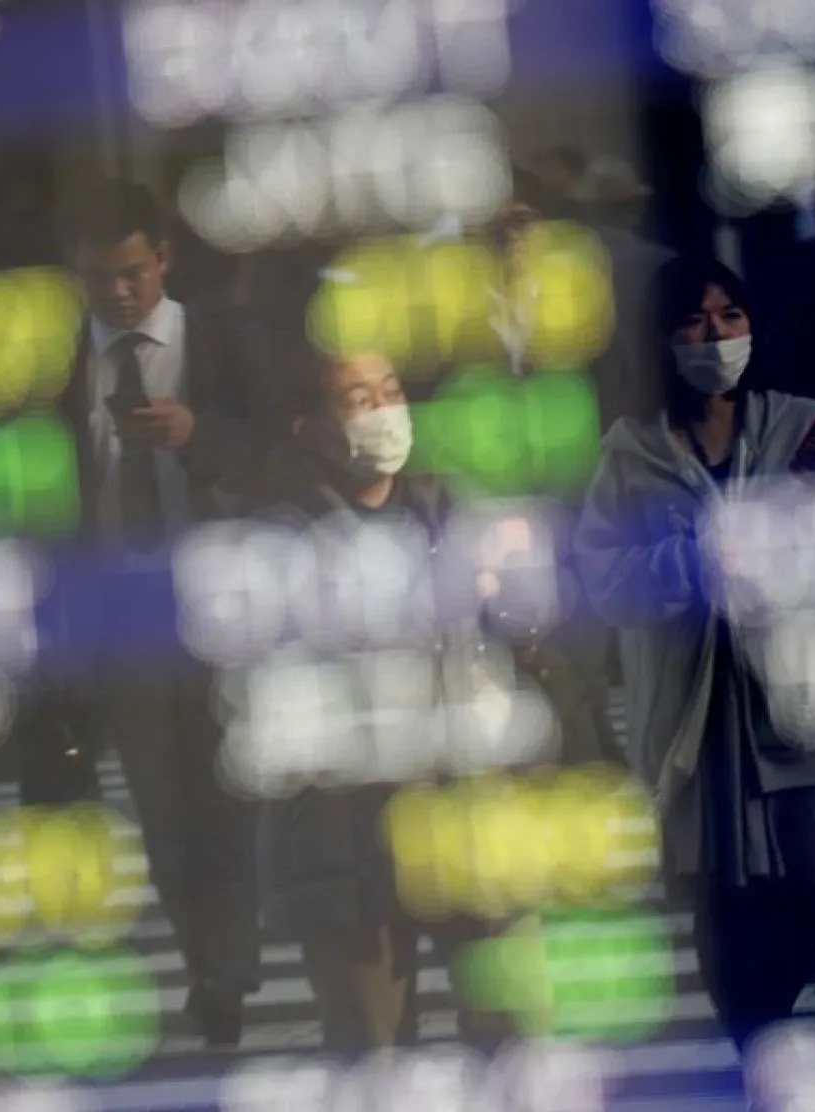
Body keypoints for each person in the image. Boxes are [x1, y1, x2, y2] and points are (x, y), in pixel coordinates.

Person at [248, 349, 620, 1055]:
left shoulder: (453, 509)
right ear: (309, 427)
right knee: (374, 1051)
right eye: (358, 400)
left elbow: (535, 648)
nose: (385, 413)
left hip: (471, 819)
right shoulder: (275, 534)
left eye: (391, 391)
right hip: (348, 841)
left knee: (518, 1031)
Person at [574, 257, 815, 1053]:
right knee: (721, 905)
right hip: (695, 716)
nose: (715, 336)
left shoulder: (801, 425)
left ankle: (764, 1027)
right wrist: (700, 559)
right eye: (694, 321)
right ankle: (755, 1048)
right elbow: (606, 580)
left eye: (730, 316)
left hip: (795, 701)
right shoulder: (632, 453)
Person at [52, 179, 270, 1045]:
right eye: (100, 277)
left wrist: (196, 435)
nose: (118, 292)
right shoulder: (58, 366)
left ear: (164, 259)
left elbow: (279, 446)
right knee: (163, 811)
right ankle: (207, 967)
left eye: (133, 272)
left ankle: (233, 961)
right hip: (122, 621)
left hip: (223, 607)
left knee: (231, 801)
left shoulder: (225, 337)